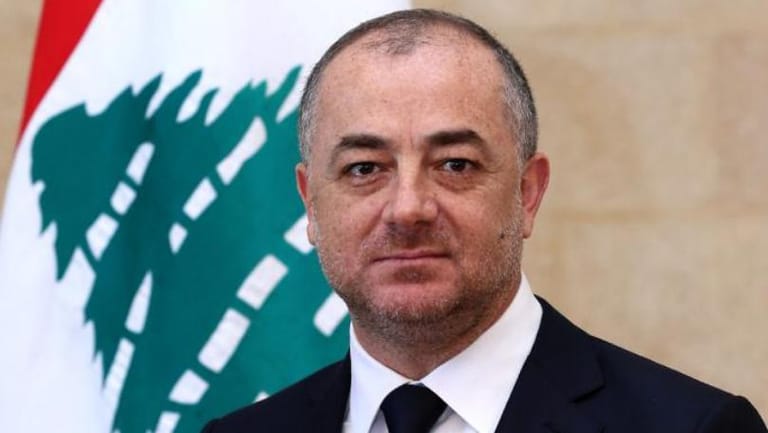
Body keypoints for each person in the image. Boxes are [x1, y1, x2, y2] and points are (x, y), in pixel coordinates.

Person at [202, 8, 767, 433]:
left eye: (455, 164)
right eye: (365, 168)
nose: (408, 209)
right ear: (310, 204)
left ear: (527, 193)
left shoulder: (695, 427)